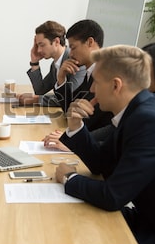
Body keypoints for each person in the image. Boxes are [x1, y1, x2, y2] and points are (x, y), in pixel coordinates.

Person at [55, 45, 155, 244]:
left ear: (116, 85)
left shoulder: (151, 121)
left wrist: (69, 178)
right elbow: (101, 162)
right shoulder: (140, 110)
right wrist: (76, 126)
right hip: (150, 218)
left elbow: (112, 196)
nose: (92, 90)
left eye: (97, 82)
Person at [43, 19, 114, 151]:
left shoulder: (106, 74)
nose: (70, 54)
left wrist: (73, 140)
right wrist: (61, 78)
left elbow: (110, 126)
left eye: (73, 47)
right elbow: (70, 110)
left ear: (90, 42)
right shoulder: (89, 74)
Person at [18, 20, 86, 106]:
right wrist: (34, 63)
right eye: (38, 46)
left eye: (42, 45)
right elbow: (40, 90)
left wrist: (35, 100)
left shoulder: (76, 61)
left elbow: (71, 98)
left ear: (56, 42)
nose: (38, 50)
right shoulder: (55, 64)